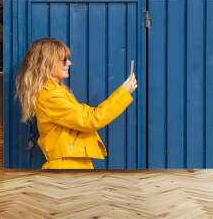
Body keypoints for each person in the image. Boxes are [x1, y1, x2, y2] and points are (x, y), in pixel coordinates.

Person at [15, 38, 137, 169]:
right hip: (67, 166)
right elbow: (90, 119)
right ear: (46, 63)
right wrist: (124, 92)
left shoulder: (57, 92)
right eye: (63, 60)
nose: (69, 63)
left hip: (72, 163)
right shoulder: (49, 95)